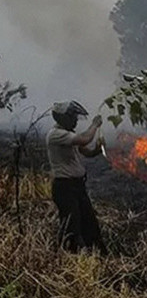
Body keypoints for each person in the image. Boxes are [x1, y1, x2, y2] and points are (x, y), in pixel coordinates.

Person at [46, 101, 106, 253]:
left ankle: (98, 255)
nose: (76, 120)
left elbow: (86, 151)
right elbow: (85, 139)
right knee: (72, 225)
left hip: (77, 186)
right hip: (65, 188)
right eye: (73, 117)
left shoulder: (68, 135)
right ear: (63, 118)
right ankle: (70, 257)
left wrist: (98, 150)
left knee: (89, 223)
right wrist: (94, 125)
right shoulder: (56, 135)